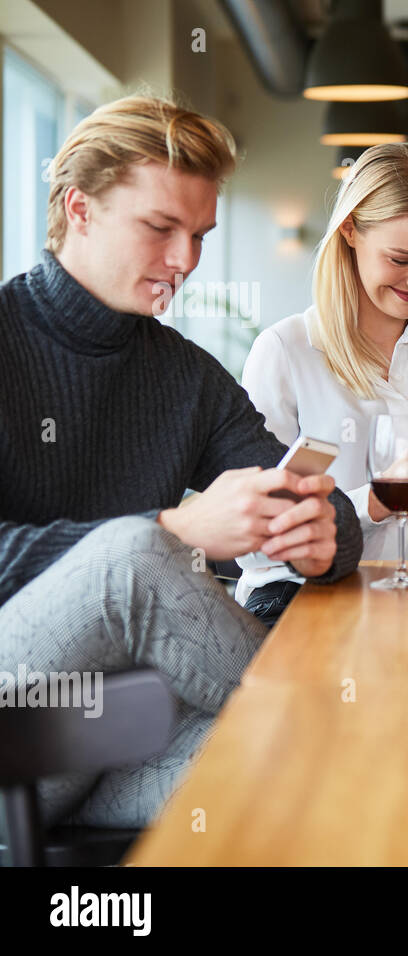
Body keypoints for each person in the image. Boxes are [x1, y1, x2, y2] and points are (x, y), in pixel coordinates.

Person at [0, 95, 362, 830]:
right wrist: (176, 528)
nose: (186, 261)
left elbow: (331, 512)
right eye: (161, 228)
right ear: (80, 208)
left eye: (199, 234)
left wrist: (322, 536)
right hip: (14, 731)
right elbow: (134, 554)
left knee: (306, 769)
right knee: (136, 552)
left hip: (111, 746)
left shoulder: (186, 376)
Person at [237, 143, 408, 619]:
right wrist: (375, 503)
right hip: (304, 595)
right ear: (351, 230)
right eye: (400, 259)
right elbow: (254, 543)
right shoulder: (285, 351)